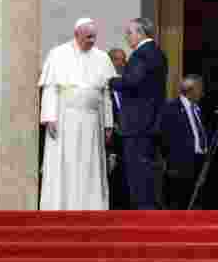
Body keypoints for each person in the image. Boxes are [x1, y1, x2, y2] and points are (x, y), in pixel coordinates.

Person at [37, 18, 116, 210]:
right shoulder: (58, 54)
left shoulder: (102, 57)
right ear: (77, 34)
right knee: (65, 164)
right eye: (88, 37)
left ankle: (92, 206)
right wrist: (49, 117)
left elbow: (106, 94)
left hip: (92, 122)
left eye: (94, 37)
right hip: (65, 121)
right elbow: (50, 89)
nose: (92, 41)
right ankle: (62, 205)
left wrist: (108, 123)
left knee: (90, 166)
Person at [110, 17, 167, 210]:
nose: (127, 37)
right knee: (148, 170)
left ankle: (143, 213)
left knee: (137, 173)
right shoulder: (158, 53)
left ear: (141, 32)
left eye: (129, 32)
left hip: (136, 124)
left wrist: (110, 81)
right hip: (151, 122)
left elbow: (132, 82)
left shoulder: (141, 54)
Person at [156, 75, 208, 210]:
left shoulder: (197, 109)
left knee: (196, 203)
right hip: (180, 165)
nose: (202, 92)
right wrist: (170, 160)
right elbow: (163, 136)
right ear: (190, 90)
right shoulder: (171, 108)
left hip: (199, 161)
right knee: (179, 205)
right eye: (200, 88)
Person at [107, 48, 130, 210]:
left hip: (127, 142)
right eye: (118, 59)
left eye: (124, 60)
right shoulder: (104, 86)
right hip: (109, 143)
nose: (122, 64)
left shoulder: (127, 86)